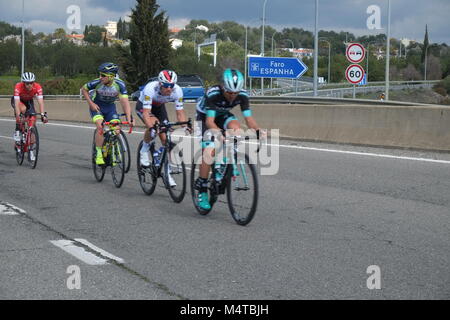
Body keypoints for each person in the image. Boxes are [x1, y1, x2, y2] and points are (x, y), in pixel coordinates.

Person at [193, 68, 262, 210]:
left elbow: (248, 119)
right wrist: (219, 134)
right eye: (229, 92)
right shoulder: (213, 94)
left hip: (223, 114)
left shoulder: (242, 95)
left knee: (236, 129)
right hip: (205, 116)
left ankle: (226, 160)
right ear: (223, 87)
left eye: (235, 93)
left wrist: (258, 130)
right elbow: (210, 122)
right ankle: (202, 188)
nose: (232, 96)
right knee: (209, 150)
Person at [136, 69, 190, 186]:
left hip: (159, 108)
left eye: (171, 86)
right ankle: (144, 150)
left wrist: (185, 127)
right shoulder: (151, 88)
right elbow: (146, 113)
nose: (169, 89)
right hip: (144, 107)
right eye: (166, 86)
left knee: (166, 139)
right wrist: (152, 128)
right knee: (155, 127)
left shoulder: (178, 91)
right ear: (160, 84)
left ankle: (167, 172)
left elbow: (180, 113)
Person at [81, 62, 133, 165]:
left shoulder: (120, 85)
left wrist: (129, 117)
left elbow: (125, 102)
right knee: (100, 127)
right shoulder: (97, 82)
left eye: (103, 75)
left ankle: (113, 151)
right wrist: (91, 103)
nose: (100, 77)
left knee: (116, 128)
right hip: (97, 107)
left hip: (110, 108)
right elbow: (84, 89)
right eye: (100, 74)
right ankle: (99, 153)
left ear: (111, 76)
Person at [11, 72, 48, 160]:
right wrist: (18, 115)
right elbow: (16, 104)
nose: (29, 85)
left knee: (32, 120)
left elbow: (40, 101)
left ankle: (30, 150)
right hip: (18, 101)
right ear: (24, 83)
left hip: (29, 102)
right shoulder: (18, 86)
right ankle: (17, 130)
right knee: (22, 110)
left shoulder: (37, 87)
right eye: (27, 83)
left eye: (31, 83)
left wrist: (43, 115)